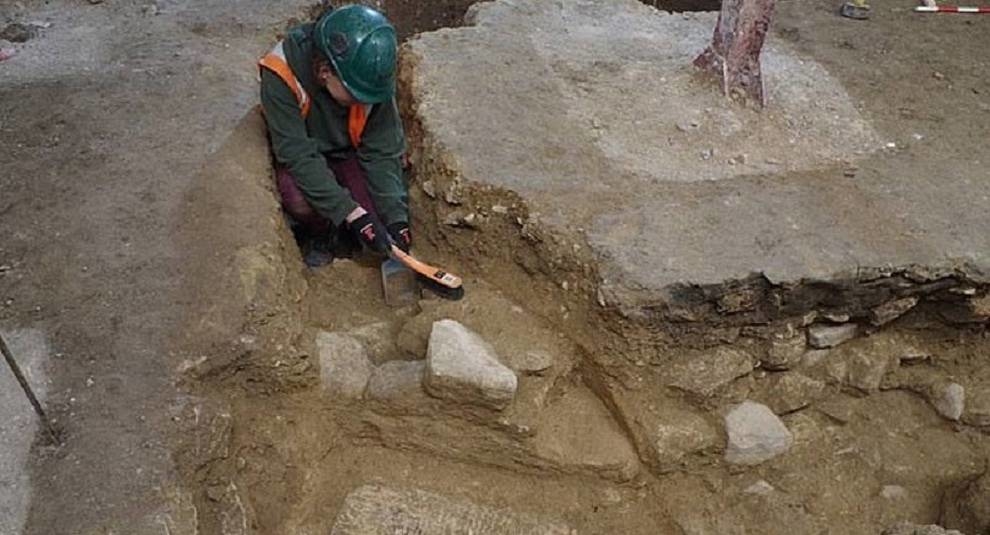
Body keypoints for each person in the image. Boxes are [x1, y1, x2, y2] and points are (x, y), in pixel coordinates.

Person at [259, 4, 410, 267]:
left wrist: (397, 220)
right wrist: (349, 212)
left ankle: (352, 232)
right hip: (306, 157)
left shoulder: (369, 76)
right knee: (297, 197)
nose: (362, 102)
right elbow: (297, 154)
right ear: (324, 72)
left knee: (381, 224)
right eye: (355, 95)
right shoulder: (280, 72)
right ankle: (321, 234)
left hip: (348, 154)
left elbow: (382, 151)